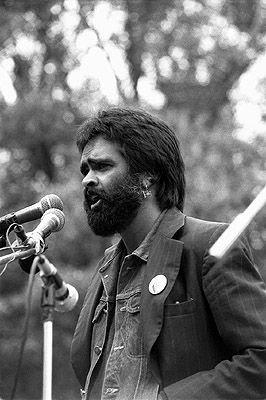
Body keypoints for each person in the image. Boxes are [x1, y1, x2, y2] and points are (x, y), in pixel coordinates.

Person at [71, 107, 266, 400]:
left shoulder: (211, 245)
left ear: (148, 175)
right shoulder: (107, 268)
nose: (87, 179)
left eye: (102, 166)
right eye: (85, 169)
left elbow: (260, 359)